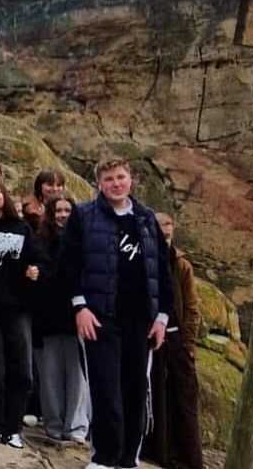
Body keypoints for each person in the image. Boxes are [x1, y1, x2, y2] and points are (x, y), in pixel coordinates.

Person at [58, 156, 174, 469]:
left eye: (121, 177)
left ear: (130, 180)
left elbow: (163, 271)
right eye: (109, 179)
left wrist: (162, 317)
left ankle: (128, 459)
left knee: (135, 389)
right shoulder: (84, 216)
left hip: (141, 320)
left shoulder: (146, 219)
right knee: (105, 389)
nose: (116, 184)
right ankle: (104, 456)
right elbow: (67, 266)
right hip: (100, 317)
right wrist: (79, 306)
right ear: (99, 183)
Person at [0, 176, 48, 449]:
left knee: (22, 368)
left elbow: (42, 259)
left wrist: (37, 270)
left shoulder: (21, 228)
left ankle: (13, 426)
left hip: (19, 309)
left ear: (4, 195)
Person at [146, 212, 203, 469]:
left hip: (176, 336)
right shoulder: (144, 260)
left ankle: (189, 458)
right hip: (151, 338)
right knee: (157, 396)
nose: (166, 232)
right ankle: (159, 452)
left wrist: (188, 343)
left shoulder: (182, 266)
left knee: (184, 398)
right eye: (161, 228)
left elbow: (191, 306)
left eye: (169, 228)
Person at [34, 194, 89, 444]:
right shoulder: (40, 240)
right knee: (50, 374)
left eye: (68, 210)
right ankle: (53, 423)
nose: (63, 215)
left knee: (77, 375)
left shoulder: (83, 240)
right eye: (58, 210)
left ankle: (76, 425)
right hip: (47, 315)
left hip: (76, 315)